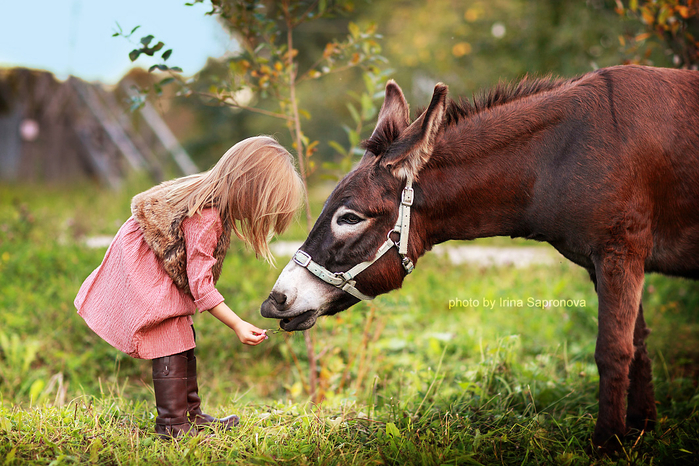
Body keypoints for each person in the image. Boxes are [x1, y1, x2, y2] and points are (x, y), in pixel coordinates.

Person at [74, 136, 303, 438]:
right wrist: (237, 324)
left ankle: (190, 415)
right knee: (169, 336)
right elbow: (200, 285)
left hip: (155, 264)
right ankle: (172, 425)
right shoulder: (207, 216)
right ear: (248, 189)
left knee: (182, 335)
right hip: (147, 270)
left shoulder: (211, 198)